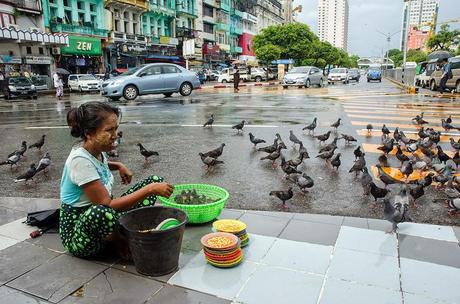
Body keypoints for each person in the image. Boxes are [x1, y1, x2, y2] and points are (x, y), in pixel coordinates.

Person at [60, 102, 174, 258]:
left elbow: (99, 165)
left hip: (106, 220)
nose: (114, 135)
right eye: (109, 130)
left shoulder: (96, 150)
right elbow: (106, 204)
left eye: (116, 129)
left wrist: (119, 165)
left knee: (154, 180)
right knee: (101, 212)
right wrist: (150, 189)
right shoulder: (79, 161)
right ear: (89, 133)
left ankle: (120, 231)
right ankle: (120, 241)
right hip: (81, 237)